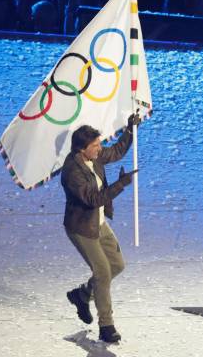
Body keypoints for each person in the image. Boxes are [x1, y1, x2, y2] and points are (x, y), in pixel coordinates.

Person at [62, 113, 141, 343]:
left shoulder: (93, 156)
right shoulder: (72, 172)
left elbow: (115, 152)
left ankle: (82, 294)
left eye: (99, 144)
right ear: (81, 149)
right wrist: (120, 185)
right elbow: (93, 199)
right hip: (82, 228)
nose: (100, 148)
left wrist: (129, 130)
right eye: (95, 145)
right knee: (103, 272)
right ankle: (106, 326)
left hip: (98, 222)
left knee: (117, 265)